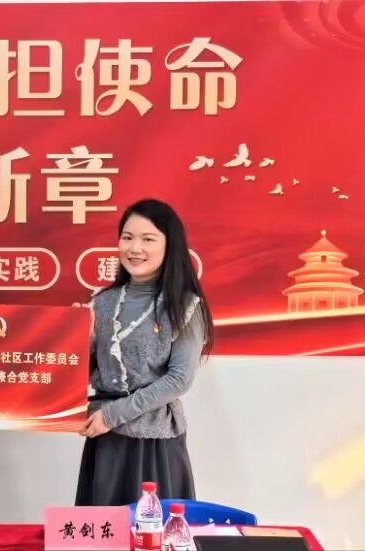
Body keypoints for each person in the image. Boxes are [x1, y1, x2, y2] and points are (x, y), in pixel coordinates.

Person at [75, 198, 214, 506]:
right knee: (102, 528)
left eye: (148, 239)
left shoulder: (184, 305)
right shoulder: (101, 302)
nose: (134, 248)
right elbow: (82, 368)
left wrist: (112, 415)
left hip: (154, 440)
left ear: (169, 245)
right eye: (127, 237)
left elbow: (179, 379)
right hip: (105, 439)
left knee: (151, 525)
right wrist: (76, 341)